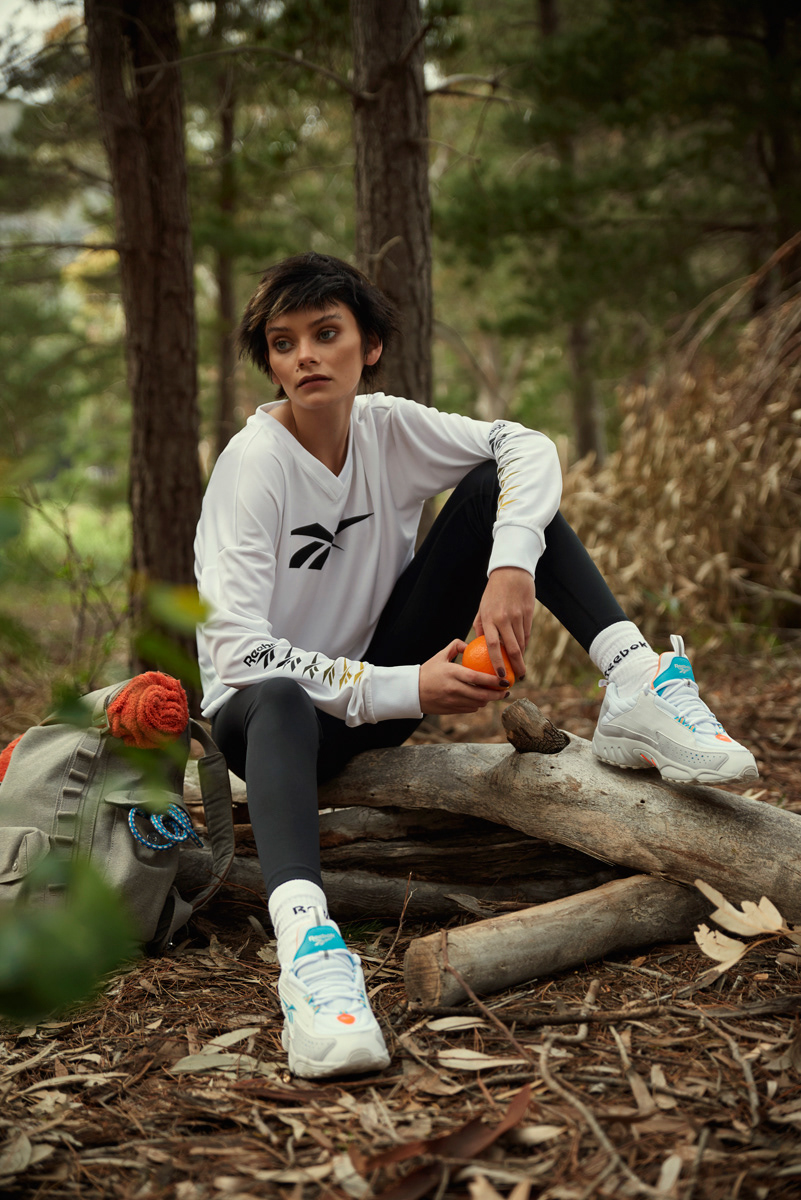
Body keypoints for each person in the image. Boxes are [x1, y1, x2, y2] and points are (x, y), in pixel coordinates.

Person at [194, 252, 757, 1079]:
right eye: (284, 343)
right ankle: (309, 954)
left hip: (374, 697)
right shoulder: (254, 464)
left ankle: (632, 676)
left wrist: (509, 566)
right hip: (268, 724)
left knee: (501, 486)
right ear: (271, 362)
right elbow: (236, 649)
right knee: (275, 693)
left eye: (325, 333)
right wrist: (405, 686)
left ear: (370, 345)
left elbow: (523, 445)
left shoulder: (387, 429)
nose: (305, 356)